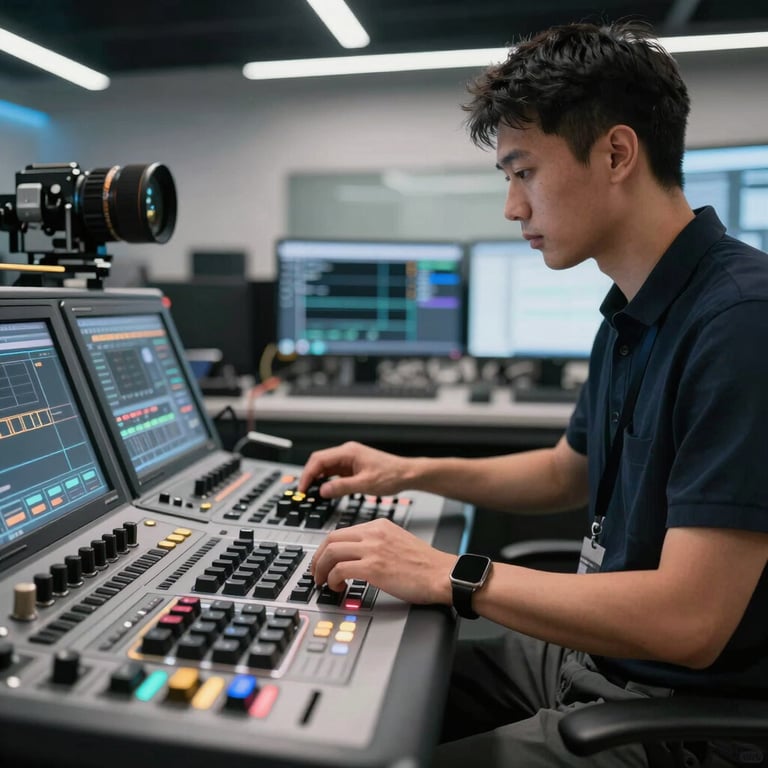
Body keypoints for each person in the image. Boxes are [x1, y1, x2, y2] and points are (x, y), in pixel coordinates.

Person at [298, 20, 768, 768]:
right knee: (329, 696)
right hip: (597, 661)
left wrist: (449, 573)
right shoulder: (632, 309)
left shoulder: (742, 323)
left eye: (524, 173)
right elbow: (564, 471)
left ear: (616, 153)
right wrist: (407, 469)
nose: (512, 208)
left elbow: (689, 621)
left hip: (680, 717)